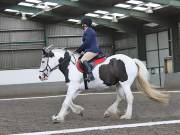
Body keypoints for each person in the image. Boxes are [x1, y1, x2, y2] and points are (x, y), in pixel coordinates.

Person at [75, 17, 101, 81]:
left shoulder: (89, 31)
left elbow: (87, 42)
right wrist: (83, 50)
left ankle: (90, 75)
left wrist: (79, 49)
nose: (82, 25)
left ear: (85, 24)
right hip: (89, 49)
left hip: (92, 50)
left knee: (83, 60)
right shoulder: (88, 30)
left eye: (82, 24)